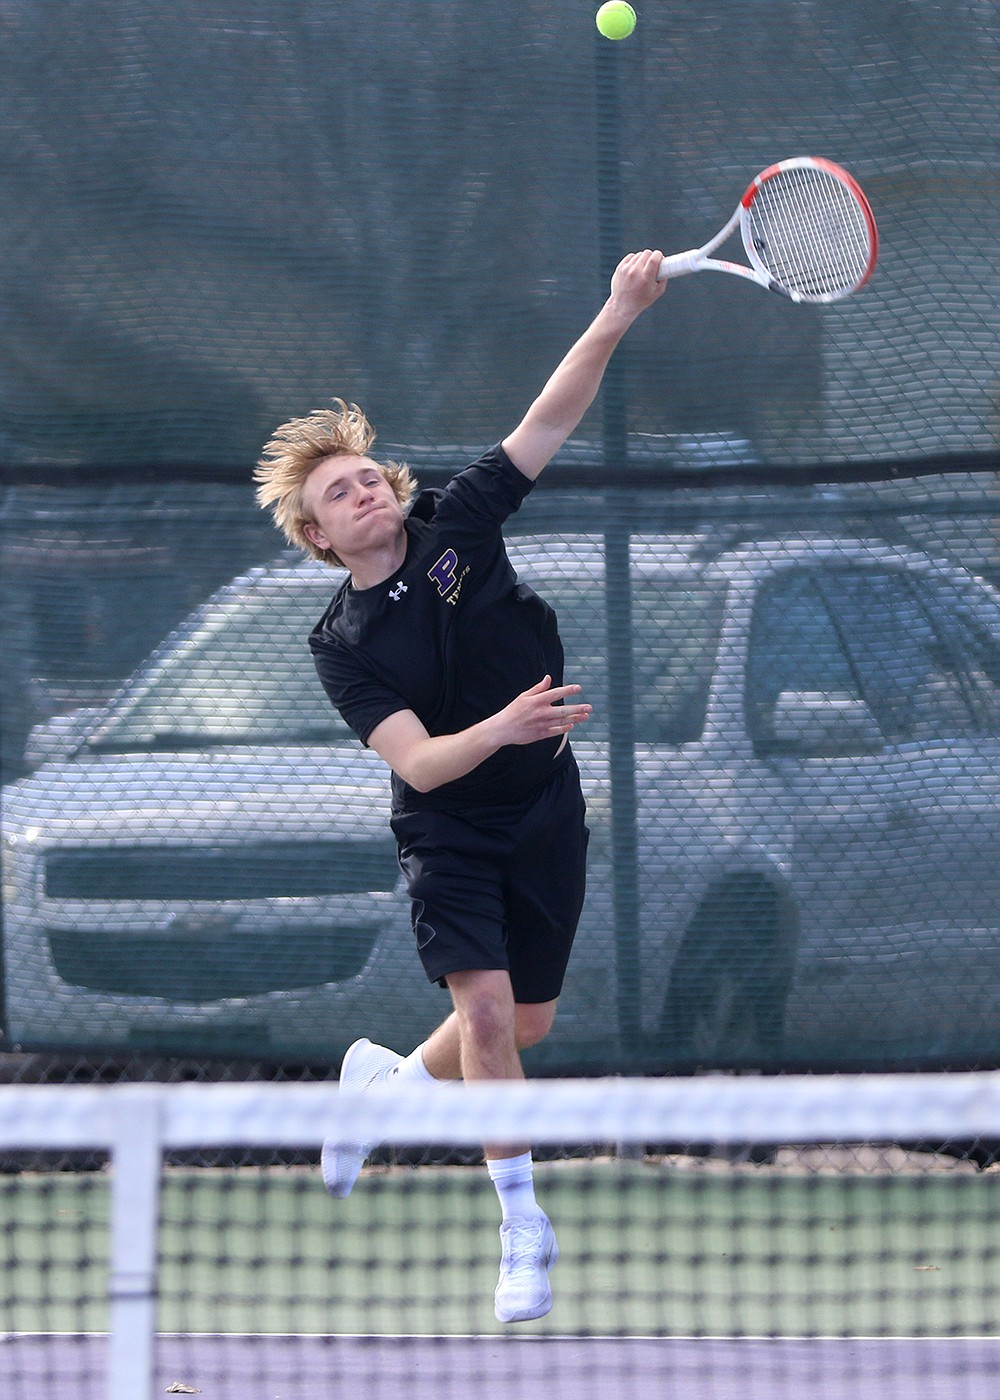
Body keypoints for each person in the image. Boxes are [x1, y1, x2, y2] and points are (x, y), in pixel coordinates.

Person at [254, 249, 667, 1323]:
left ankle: (385, 1085)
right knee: (483, 1013)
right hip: (448, 829)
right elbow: (421, 762)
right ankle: (522, 1226)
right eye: (335, 492)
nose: (361, 489)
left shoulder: (459, 526)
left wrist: (616, 311)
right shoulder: (339, 643)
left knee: (522, 1028)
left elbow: (549, 414)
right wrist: (506, 723)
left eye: (364, 474)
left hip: (544, 809)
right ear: (318, 535)